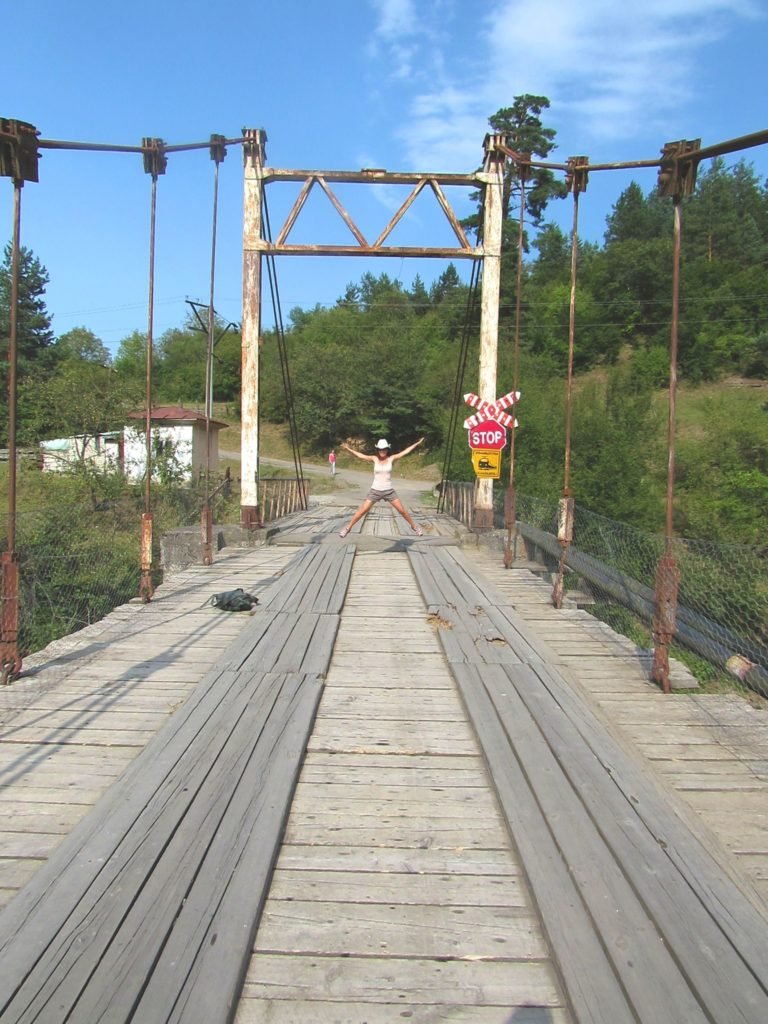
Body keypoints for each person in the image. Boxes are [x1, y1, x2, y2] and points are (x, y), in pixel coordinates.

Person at [338, 437, 425, 538]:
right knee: (362, 510)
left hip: (389, 490)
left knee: (402, 511)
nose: (382, 451)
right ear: (378, 450)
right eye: (380, 449)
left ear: (387, 449)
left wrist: (417, 443)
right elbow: (360, 455)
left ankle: (414, 527)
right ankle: (348, 528)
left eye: (384, 449)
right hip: (375, 490)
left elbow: (405, 452)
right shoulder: (374, 459)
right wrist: (348, 449)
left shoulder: (391, 458)